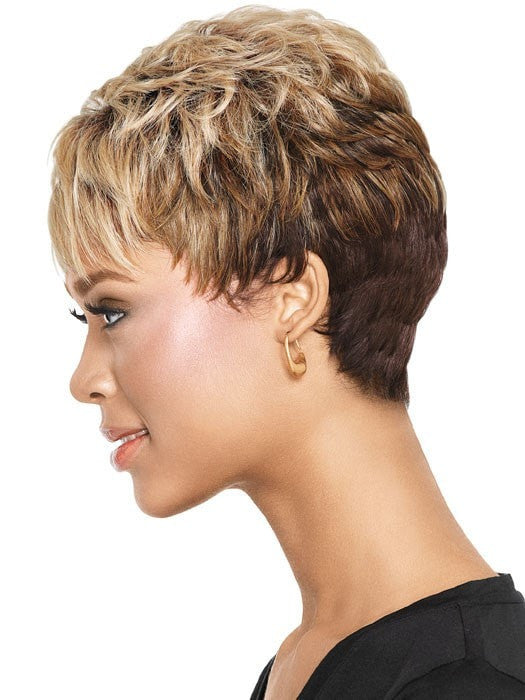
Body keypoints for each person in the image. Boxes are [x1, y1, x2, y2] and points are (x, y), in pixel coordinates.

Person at [47, 5, 525, 698]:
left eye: (112, 312)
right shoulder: (305, 665)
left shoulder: (471, 687)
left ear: (292, 299)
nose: (83, 379)